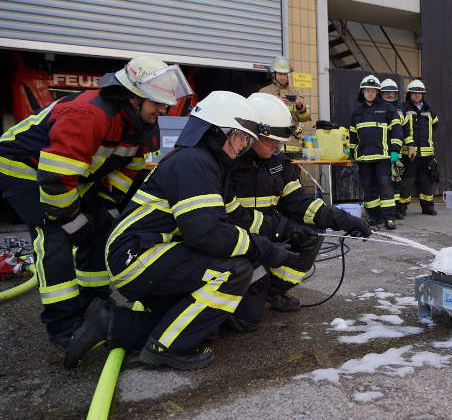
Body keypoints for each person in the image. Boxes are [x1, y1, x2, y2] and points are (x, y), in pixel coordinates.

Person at [64, 91, 297, 370]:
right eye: (242, 137)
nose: (245, 145)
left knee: (201, 325)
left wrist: (275, 235)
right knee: (232, 271)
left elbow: (228, 220)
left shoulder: (204, 163)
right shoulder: (194, 163)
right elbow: (207, 233)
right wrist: (262, 247)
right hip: (139, 256)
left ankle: (111, 323)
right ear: (222, 132)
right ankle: (165, 348)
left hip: (146, 254)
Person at [0, 55, 192, 347]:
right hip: (26, 170)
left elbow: (130, 166)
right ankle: (63, 324)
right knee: (56, 237)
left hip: (69, 176)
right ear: (132, 97)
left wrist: (106, 204)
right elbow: (54, 178)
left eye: (165, 104)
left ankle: (94, 304)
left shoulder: (139, 123)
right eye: (157, 103)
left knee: (99, 228)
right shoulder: (89, 114)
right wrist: (69, 219)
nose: (163, 110)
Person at [225, 93, 372, 323]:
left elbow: (299, 203)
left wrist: (343, 219)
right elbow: (230, 217)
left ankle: (273, 292)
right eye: (272, 140)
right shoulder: (228, 164)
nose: (277, 146)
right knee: (246, 322)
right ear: (252, 135)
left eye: (280, 141)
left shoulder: (279, 165)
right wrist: (281, 229)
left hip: (268, 232)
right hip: (238, 240)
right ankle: (247, 293)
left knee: (310, 235)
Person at [349, 75, 402, 230]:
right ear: (362, 92)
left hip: (383, 157)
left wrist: (395, 150)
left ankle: (389, 218)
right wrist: (352, 154)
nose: (370, 94)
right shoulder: (357, 112)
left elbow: (397, 131)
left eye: (373, 91)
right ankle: (374, 217)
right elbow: (353, 135)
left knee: (386, 188)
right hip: (364, 158)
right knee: (369, 189)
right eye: (367, 91)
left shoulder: (388, 108)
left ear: (377, 92)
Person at [399, 79, 439, 216]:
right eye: (414, 93)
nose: (417, 95)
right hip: (409, 154)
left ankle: (428, 207)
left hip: (426, 154)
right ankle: (402, 209)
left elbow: (435, 126)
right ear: (409, 94)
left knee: (427, 181)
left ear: (423, 95)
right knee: (407, 182)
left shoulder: (429, 110)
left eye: (420, 93)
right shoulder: (403, 109)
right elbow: (399, 129)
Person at [258, 55, 310, 156]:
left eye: (285, 74)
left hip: (293, 145)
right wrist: (274, 103)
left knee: (293, 172)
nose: (283, 77)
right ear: (274, 74)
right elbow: (259, 116)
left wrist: (300, 107)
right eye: (280, 74)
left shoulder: (296, 92)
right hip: (272, 144)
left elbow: (305, 118)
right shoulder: (265, 92)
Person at [379, 78, 407, 219]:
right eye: (387, 92)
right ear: (381, 93)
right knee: (382, 182)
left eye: (392, 92)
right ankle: (382, 211)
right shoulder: (377, 109)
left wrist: (409, 145)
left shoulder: (401, 110)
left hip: (397, 153)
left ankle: (396, 209)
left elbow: (406, 130)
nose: (390, 95)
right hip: (380, 152)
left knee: (397, 182)